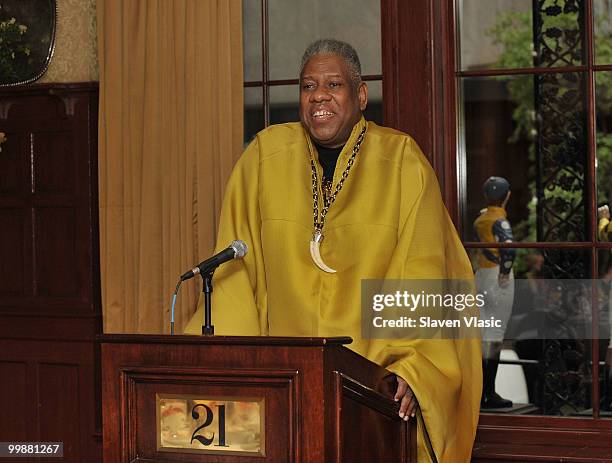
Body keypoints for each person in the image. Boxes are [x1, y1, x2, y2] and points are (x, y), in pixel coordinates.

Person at [185, 39, 481, 462]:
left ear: (360, 95)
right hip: (282, 390)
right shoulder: (264, 158)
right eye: (308, 86)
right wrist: (226, 368)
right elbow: (236, 276)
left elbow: (425, 268)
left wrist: (418, 368)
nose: (319, 95)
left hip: (368, 388)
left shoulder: (401, 161)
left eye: (333, 84)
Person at [473, 176, 515, 409]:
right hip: (498, 276)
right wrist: (505, 271)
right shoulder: (501, 220)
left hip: (481, 275)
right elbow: (507, 247)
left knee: (483, 332)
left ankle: (482, 391)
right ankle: (489, 391)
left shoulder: (481, 218)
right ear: (506, 196)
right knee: (495, 334)